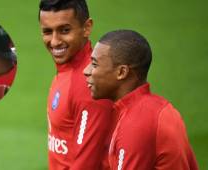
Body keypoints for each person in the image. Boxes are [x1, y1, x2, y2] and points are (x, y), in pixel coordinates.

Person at [83, 30, 198, 169]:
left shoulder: (136, 123)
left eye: (95, 64)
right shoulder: (157, 108)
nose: (86, 70)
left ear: (121, 72)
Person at [38, 0, 115, 169]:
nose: (55, 41)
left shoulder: (88, 83)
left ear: (86, 27)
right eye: (47, 32)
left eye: (65, 30)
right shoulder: (69, 71)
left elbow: (87, 164)